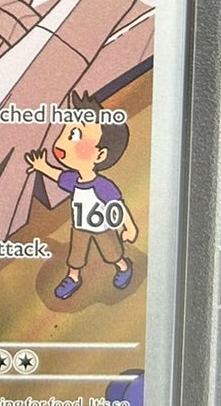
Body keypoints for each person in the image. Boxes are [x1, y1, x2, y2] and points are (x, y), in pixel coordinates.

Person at [26, 90, 138, 300]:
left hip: (102, 227)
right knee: (75, 256)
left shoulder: (102, 186)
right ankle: (73, 277)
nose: (62, 143)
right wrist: (42, 166)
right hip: (80, 227)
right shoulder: (74, 180)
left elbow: (118, 206)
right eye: (67, 131)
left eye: (76, 136)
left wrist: (129, 227)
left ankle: (123, 266)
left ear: (100, 154)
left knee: (112, 253)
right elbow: (58, 175)